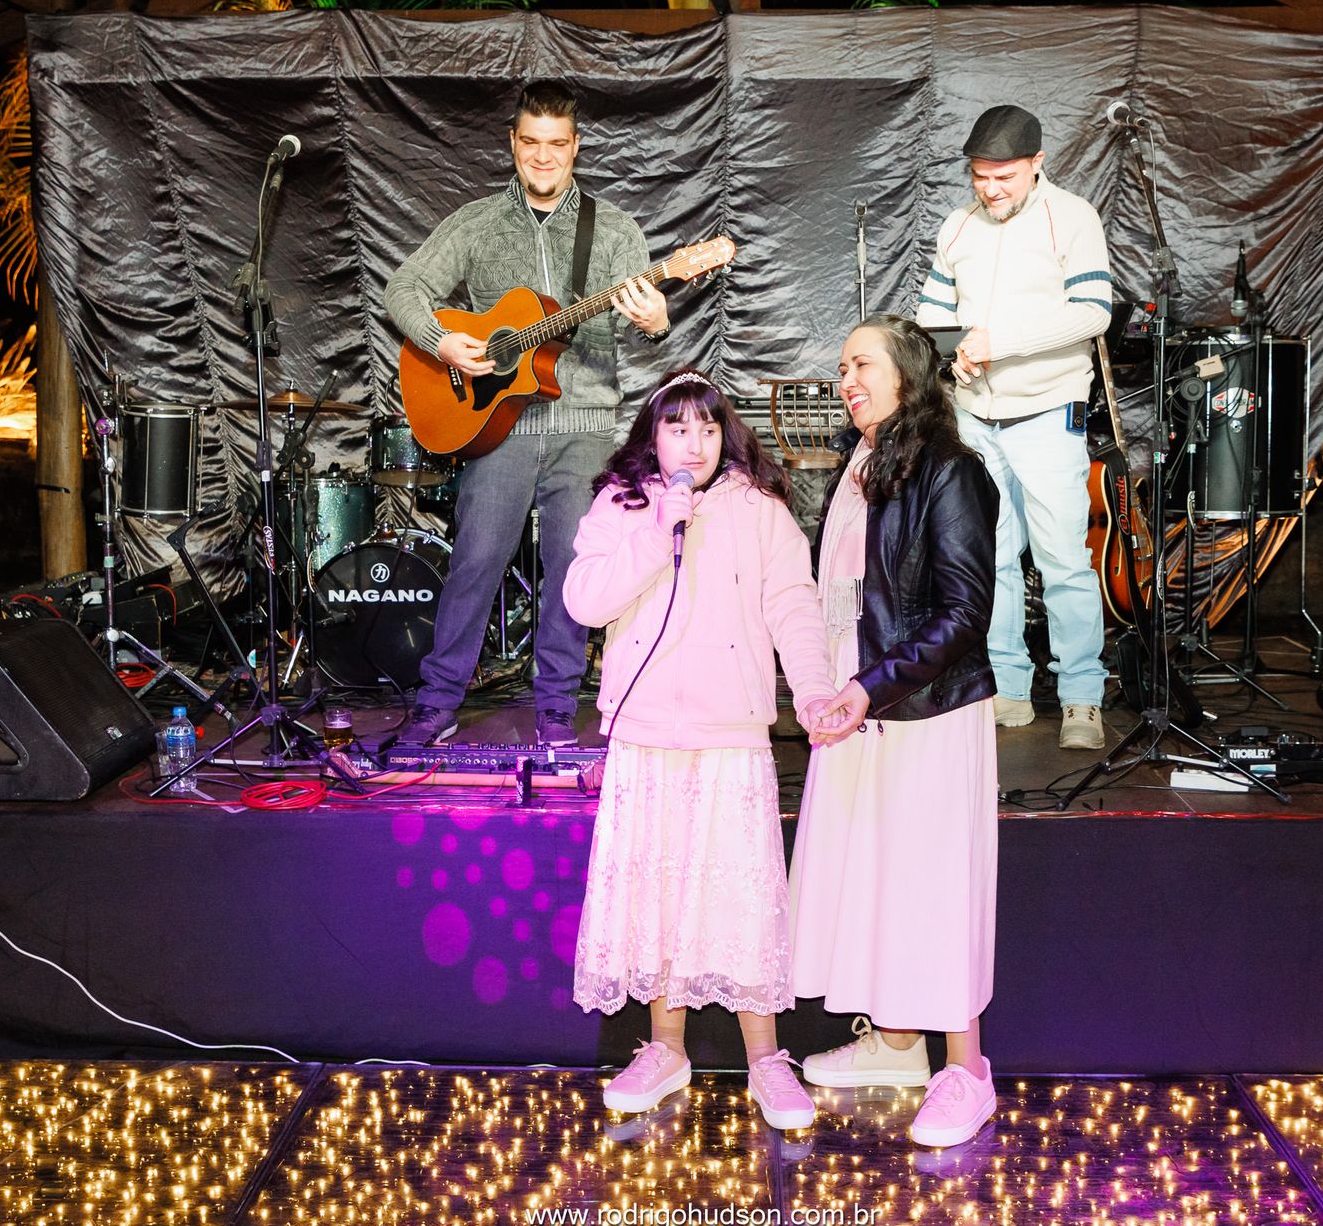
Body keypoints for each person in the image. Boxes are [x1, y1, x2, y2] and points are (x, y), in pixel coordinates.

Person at [563, 369, 837, 1131]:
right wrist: (658, 531)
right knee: (658, 895)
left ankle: (766, 1059)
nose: (696, 442)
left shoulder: (760, 510)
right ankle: (665, 1048)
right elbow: (585, 600)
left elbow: (794, 608)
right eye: (679, 427)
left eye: (709, 428)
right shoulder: (622, 507)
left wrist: (811, 691)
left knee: (738, 896)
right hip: (646, 737)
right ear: (653, 435)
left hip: (729, 735)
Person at [382, 80, 671, 747]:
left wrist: (655, 320)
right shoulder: (476, 224)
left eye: (557, 146)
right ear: (513, 143)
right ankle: (437, 702)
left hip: (586, 426)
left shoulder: (616, 230)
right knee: (476, 561)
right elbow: (405, 287)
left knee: (575, 569)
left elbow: (643, 323)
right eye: (531, 144)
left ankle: (555, 708)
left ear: (577, 146)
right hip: (497, 424)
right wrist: (440, 341)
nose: (544, 158)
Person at [789, 314, 1001, 1149]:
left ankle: (966, 1070)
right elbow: (845, 595)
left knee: (934, 887)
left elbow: (963, 612)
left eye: (861, 363)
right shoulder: (864, 465)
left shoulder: (951, 469)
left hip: (926, 711)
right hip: (862, 710)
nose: (846, 378)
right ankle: (900, 1045)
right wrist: (828, 688)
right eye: (840, 365)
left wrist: (868, 688)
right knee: (876, 879)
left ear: (909, 374)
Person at [914, 104, 1113, 750]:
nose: (991, 189)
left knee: (1063, 561)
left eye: (1005, 176)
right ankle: (1008, 689)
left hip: (1049, 408)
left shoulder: (1072, 217)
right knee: (991, 560)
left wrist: (1003, 342)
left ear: (1037, 164)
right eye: (980, 176)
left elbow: (1093, 312)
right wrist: (947, 350)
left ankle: (1082, 697)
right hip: (975, 414)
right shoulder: (957, 226)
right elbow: (932, 313)